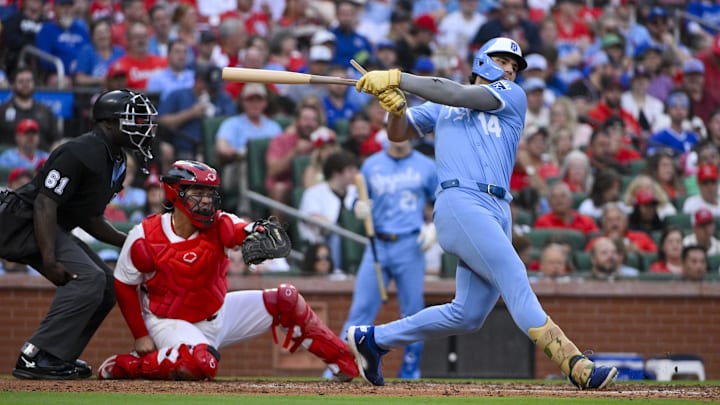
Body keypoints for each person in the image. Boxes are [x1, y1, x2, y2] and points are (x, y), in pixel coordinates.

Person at [346, 37, 617, 390]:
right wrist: (394, 110)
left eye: (514, 65)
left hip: (497, 207)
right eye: (503, 60)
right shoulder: (441, 105)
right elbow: (399, 135)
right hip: (460, 200)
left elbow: (456, 94)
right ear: (481, 60)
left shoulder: (510, 96)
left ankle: (374, 340)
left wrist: (397, 78)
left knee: (468, 314)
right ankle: (574, 363)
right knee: (514, 276)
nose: (509, 69)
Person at [97, 160, 359, 381]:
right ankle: (128, 365)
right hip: (168, 321)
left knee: (286, 299)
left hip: (218, 314)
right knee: (202, 364)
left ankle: (344, 361)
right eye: (197, 192)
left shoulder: (219, 222)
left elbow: (240, 228)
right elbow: (124, 284)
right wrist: (141, 336)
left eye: (209, 193)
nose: (206, 200)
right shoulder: (144, 235)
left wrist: (257, 232)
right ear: (175, 192)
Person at [0, 89, 158, 379]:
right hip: (20, 222)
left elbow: (90, 218)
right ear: (108, 122)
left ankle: (57, 357)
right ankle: (35, 355)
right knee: (89, 277)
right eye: (132, 118)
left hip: (47, 225)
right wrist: (49, 259)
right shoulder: (79, 150)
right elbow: (45, 202)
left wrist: (131, 242)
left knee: (108, 285)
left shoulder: (117, 162)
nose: (140, 125)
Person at [335, 139, 437, 380]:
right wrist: (358, 206)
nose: (400, 136)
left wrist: (434, 226)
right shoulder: (372, 164)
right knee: (360, 310)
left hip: (410, 243)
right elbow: (354, 197)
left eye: (404, 130)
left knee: (412, 312)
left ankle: (410, 370)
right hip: (377, 243)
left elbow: (440, 200)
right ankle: (339, 364)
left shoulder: (426, 165)